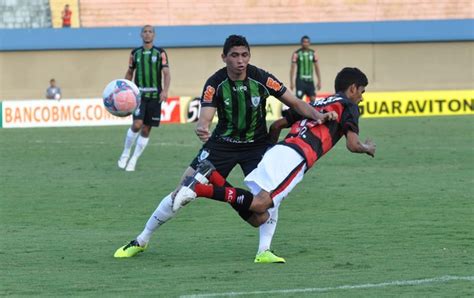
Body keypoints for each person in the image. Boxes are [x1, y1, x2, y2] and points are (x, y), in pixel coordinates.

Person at [114, 35, 331, 263]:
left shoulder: (262, 78)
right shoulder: (215, 83)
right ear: (224, 57)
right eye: (235, 55)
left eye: (244, 55)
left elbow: (295, 103)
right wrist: (202, 127)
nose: (240, 61)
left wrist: (319, 115)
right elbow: (205, 117)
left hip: (257, 146)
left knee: (264, 207)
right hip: (221, 145)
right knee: (181, 192)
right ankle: (141, 239)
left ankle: (263, 250)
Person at [172, 68, 376, 256]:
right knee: (261, 205)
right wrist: (367, 147)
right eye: (362, 91)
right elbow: (353, 144)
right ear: (353, 88)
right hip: (298, 156)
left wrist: (270, 150)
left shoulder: (317, 103)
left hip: (279, 150)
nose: (361, 97)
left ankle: (213, 176)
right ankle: (198, 189)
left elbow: (277, 125)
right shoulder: (348, 105)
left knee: (259, 217)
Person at [117, 25, 171, 171]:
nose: (147, 34)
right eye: (145, 32)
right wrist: (124, 89)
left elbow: (166, 73)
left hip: (155, 97)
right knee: (137, 125)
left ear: (154, 35)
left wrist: (165, 91)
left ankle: (134, 159)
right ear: (141, 35)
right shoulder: (135, 53)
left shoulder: (160, 53)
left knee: (146, 130)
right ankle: (126, 152)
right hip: (139, 96)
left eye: (150, 32)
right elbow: (129, 72)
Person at [290, 35, 322, 104]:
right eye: (304, 42)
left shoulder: (313, 53)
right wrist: (291, 82)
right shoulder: (296, 54)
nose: (306, 43)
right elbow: (292, 68)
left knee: (313, 99)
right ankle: (297, 114)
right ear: (301, 43)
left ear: (309, 43)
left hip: (310, 81)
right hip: (300, 81)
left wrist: (319, 81)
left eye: (307, 42)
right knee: (299, 100)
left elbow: (317, 67)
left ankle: (312, 114)